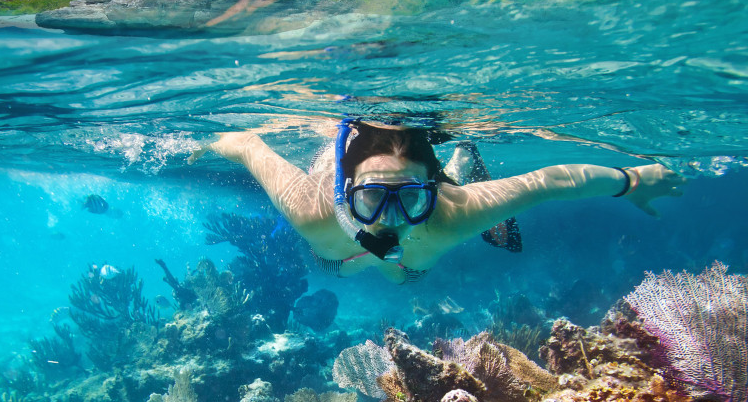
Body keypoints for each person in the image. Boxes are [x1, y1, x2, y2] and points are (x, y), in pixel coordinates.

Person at [188, 120, 685, 284]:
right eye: (372, 199)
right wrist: (209, 143)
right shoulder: (312, 210)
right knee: (345, 263)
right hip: (337, 254)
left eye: (409, 199)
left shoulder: (453, 212)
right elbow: (249, 143)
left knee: (404, 273)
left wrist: (632, 179)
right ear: (346, 194)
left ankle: (460, 164)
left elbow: (550, 180)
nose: (389, 219)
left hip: (421, 231)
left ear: (433, 191)